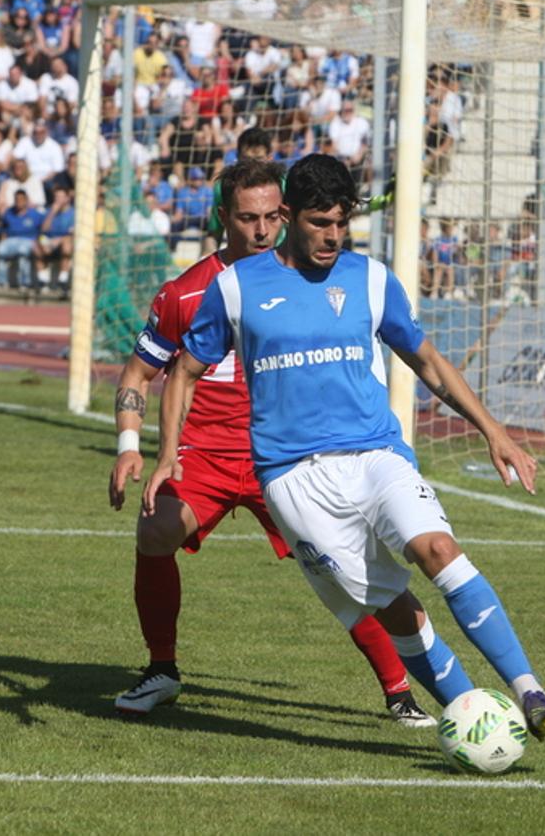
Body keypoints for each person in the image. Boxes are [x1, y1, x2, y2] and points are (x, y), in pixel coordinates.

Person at [145, 155, 545, 739]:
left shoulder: (370, 279)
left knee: (438, 549)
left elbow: (426, 360)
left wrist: (492, 429)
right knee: (393, 606)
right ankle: (474, 715)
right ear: (291, 217)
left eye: (342, 224)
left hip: (376, 455)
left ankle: (532, 692)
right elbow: (185, 372)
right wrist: (168, 453)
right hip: (294, 479)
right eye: (321, 223)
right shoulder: (236, 288)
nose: (333, 236)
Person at [111, 159, 433, 727]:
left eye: (270, 218)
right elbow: (140, 375)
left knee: (343, 566)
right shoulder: (187, 293)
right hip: (205, 455)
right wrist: (131, 447)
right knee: (155, 529)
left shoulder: (314, 278)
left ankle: (399, 689)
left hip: (283, 454)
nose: (261, 230)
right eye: (247, 218)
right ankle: (161, 668)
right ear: (222, 219)